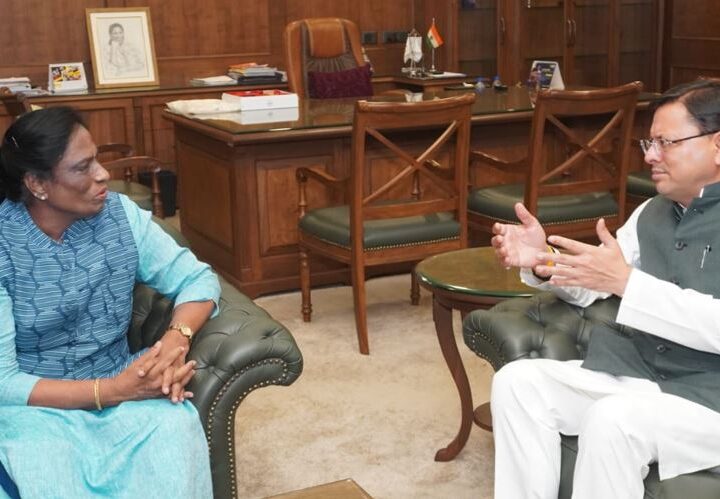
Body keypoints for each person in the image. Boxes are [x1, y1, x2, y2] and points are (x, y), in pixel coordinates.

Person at [489, 78, 720, 498]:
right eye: (648, 143)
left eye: (665, 143)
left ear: (717, 146)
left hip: (710, 399)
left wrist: (628, 283)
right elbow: (598, 280)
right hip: (645, 374)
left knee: (611, 420)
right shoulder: (652, 211)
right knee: (518, 383)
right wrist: (542, 260)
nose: (650, 156)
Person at [0, 107, 220, 498]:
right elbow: (4, 381)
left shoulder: (120, 216)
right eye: (82, 167)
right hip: (35, 404)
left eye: (97, 159)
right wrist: (111, 391)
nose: (103, 174)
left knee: (174, 428)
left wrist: (174, 342)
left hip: (123, 376)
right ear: (37, 184)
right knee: (44, 465)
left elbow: (196, 278)